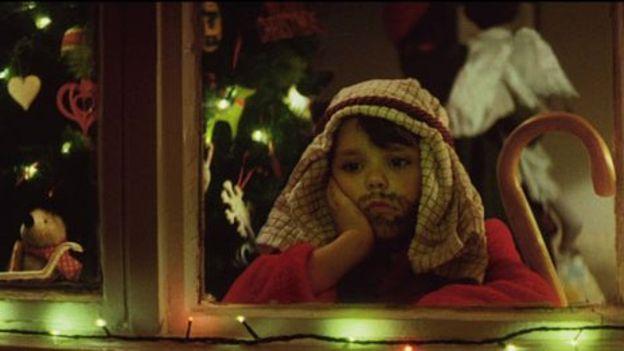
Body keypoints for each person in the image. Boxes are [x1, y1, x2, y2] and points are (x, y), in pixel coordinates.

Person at [223, 78, 559, 306]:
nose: (376, 181)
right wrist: (351, 244)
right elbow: (239, 307)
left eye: (398, 163)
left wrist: (410, 319)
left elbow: (535, 300)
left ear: (432, 172)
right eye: (353, 167)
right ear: (327, 176)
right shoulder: (311, 242)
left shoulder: (474, 238)